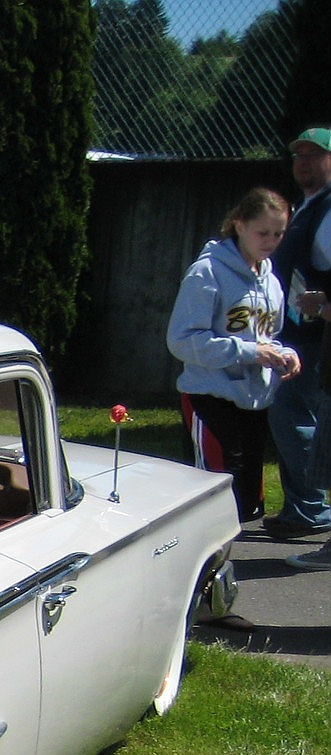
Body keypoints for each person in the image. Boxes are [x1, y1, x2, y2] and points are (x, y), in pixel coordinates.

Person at [167, 187, 300, 607]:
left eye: (279, 234)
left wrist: (284, 355)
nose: (271, 242)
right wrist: (247, 351)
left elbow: (269, 336)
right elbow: (182, 340)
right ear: (239, 224)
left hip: (253, 402)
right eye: (263, 233)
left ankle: (214, 587)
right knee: (213, 500)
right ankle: (199, 596)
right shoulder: (207, 272)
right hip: (211, 397)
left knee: (242, 504)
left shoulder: (270, 280)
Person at [265, 129, 331, 542]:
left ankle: (309, 507)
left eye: (314, 154)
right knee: (293, 418)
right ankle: (303, 506)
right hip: (297, 333)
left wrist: (323, 302)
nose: (303, 162)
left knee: (293, 418)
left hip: (314, 337)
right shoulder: (308, 207)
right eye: (298, 156)